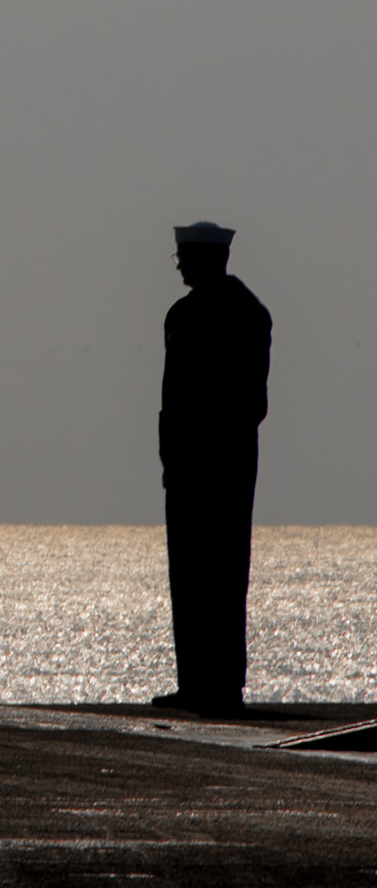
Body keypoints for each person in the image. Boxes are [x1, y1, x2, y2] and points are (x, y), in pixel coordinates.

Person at [153, 221, 272, 718]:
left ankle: (205, 681)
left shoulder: (194, 314)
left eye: (183, 255)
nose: (177, 263)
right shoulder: (248, 312)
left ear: (203, 257)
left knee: (201, 570)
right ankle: (214, 681)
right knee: (219, 571)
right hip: (224, 457)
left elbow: (188, 397)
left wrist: (182, 451)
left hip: (203, 459)